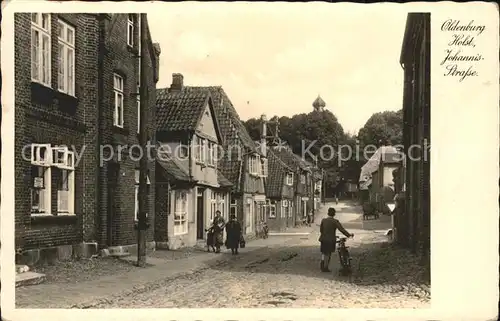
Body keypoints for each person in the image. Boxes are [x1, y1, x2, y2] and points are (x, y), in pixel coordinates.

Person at [318, 207, 354, 272]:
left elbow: (321, 230)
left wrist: (325, 234)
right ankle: (325, 267)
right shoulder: (335, 221)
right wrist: (349, 235)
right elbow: (342, 230)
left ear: (328, 213)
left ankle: (322, 263)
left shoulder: (323, 220)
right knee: (328, 253)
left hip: (323, 239)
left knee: (324, 252)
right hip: (330, 240)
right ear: (334, 214)